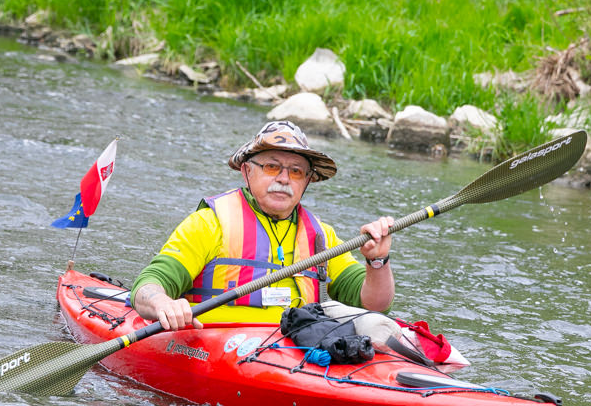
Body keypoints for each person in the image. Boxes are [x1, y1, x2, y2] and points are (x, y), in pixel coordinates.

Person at [131, 120, 395, 331]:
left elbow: (373, 305)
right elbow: (148, 285)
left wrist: (378, 262)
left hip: (294, 351)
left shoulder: (321, 236)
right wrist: (163, 303)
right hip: (216, 348)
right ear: (247, 171)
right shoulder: (210, 223)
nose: (283, 179)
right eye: (271, 166)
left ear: (307, 181)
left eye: (296, 171)